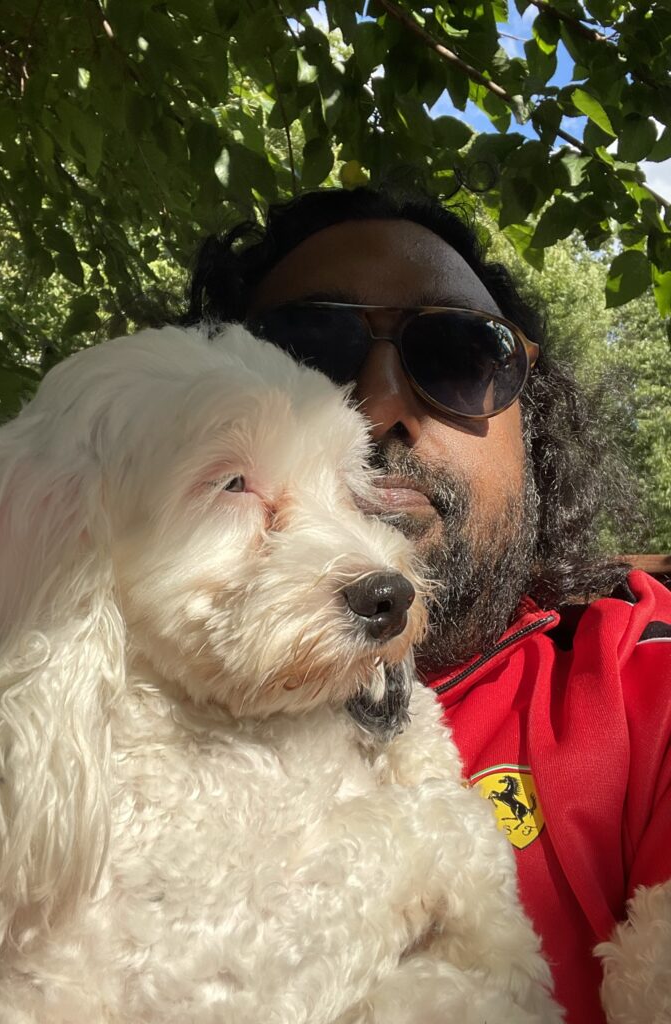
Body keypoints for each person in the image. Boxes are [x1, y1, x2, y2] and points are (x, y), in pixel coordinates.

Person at [181, 186, 671, 1023]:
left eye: (460, 354)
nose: (378, 405)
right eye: (305, 353)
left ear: (532, 424)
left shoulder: (643, 678)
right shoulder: (76, 688)